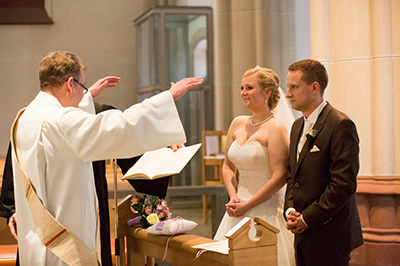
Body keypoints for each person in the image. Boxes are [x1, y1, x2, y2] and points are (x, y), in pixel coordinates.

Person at [10, 51, 203, 266]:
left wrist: (86, 97)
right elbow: (117, 127)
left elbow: (71, 126)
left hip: (37, 241)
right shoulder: (58, 121)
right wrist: (167, 98)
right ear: (69, 83)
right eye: (82, 88)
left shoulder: (26, 117)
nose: (84, 96)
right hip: (62, 247)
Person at [284, 59, 363, 265]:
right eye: (287, 87)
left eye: (294, 87)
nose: (287, 94)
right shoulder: (296, 126)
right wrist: (290, 210)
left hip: (330, 232)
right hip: (301, 231)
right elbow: (293, 175)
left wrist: (307, 219)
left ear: (314, 88)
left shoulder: (340, 124)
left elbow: (343, 184)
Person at [213, 66, 295, 266]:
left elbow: (279, 176)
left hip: (264, 210)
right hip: (236, 207)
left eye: (249, 88)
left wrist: (248, 205)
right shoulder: (237, 123)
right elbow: (227, 167)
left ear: (267, 92)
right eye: (242, 87)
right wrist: (233, 196)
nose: (243, 92)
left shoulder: (275, 127)